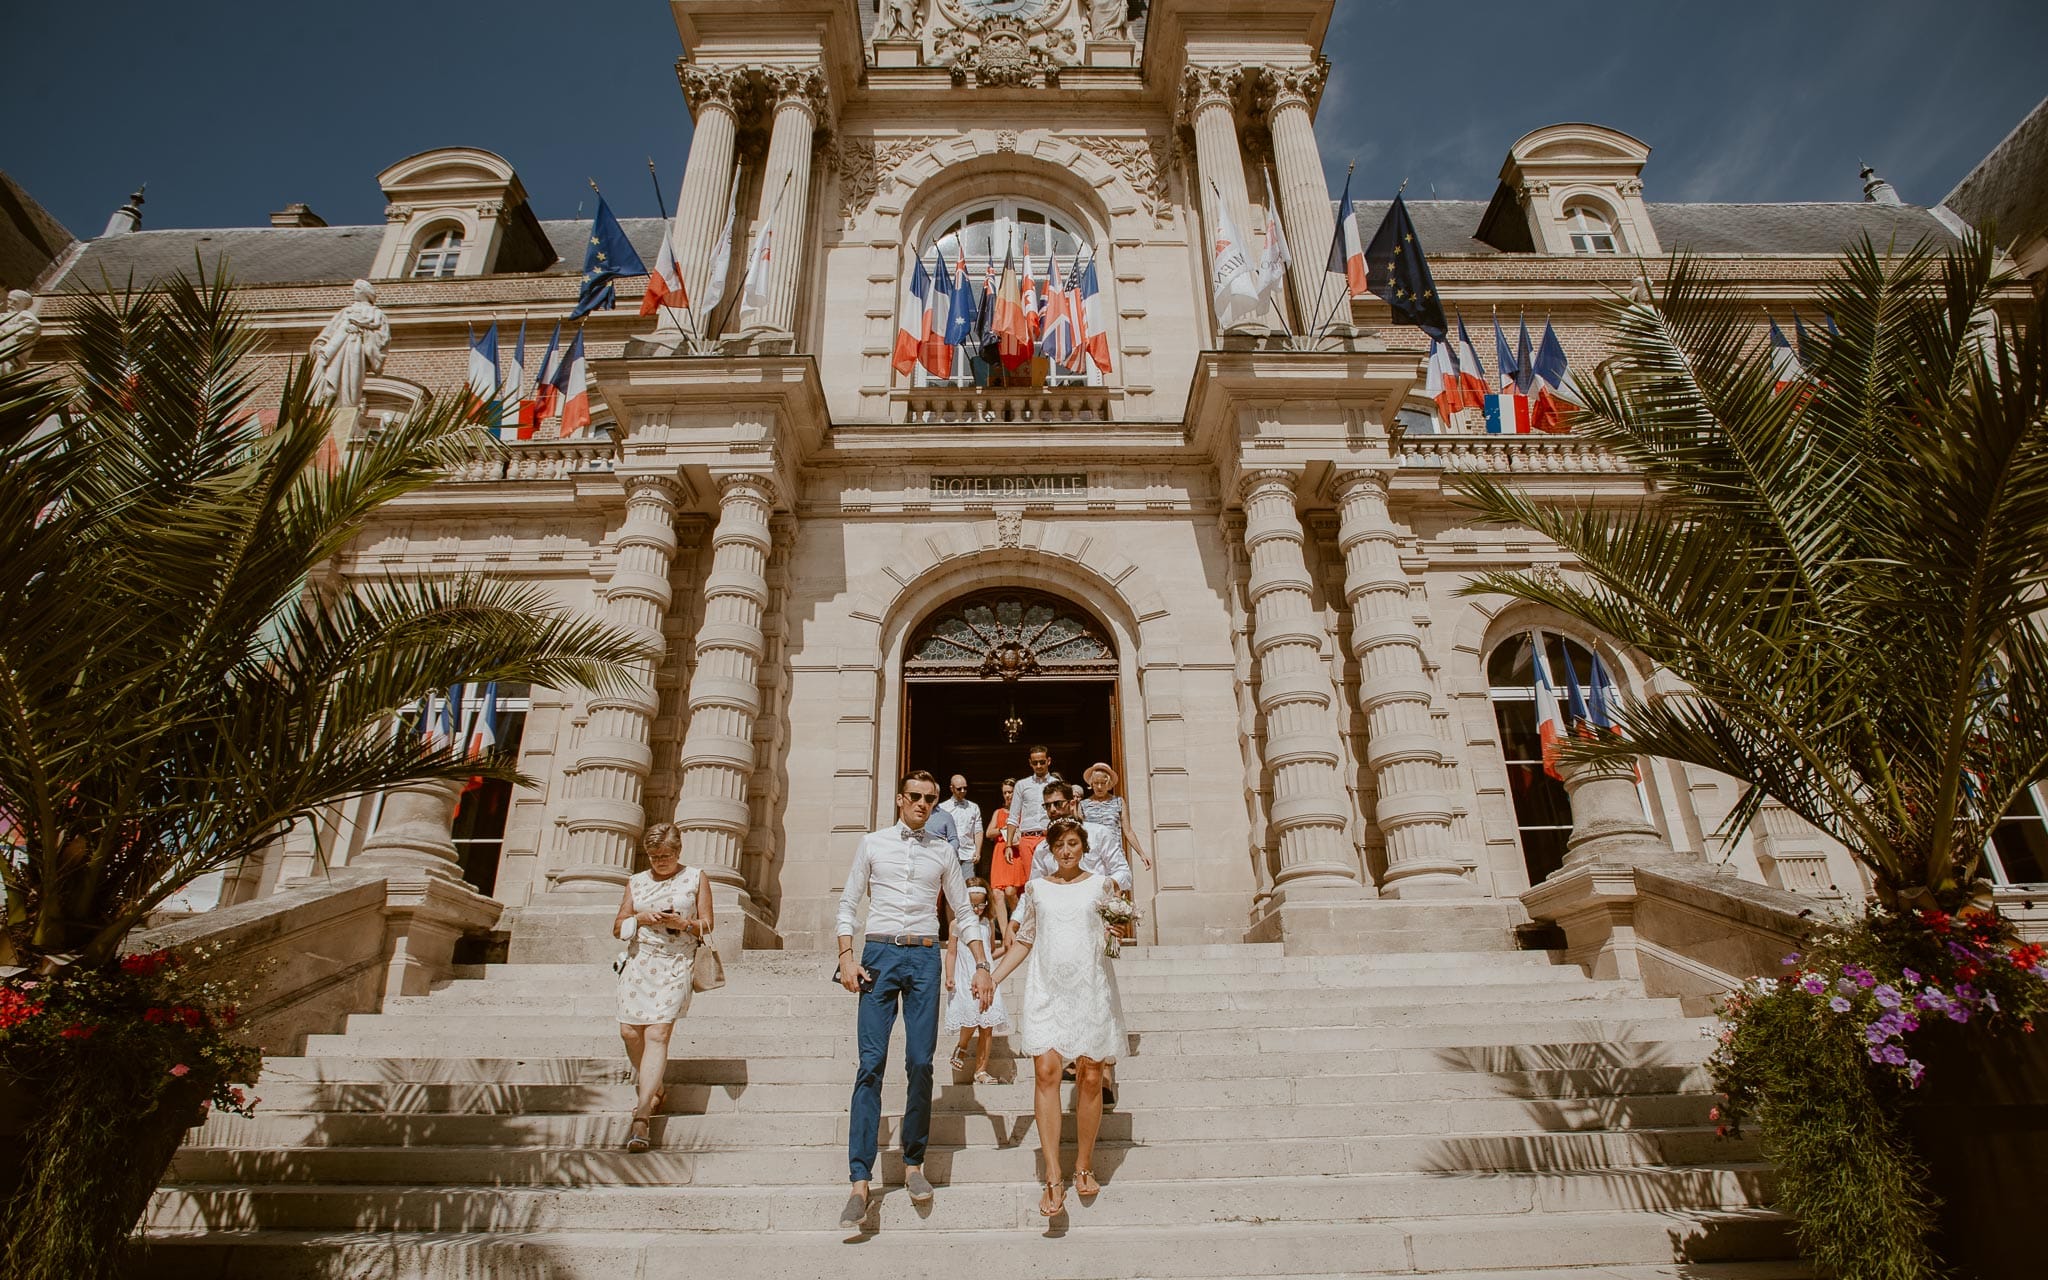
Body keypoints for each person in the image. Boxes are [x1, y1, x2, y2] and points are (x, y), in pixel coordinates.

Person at [835, 770, 995, 1232]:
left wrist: (982, 965)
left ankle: (912, 1164)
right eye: (916, 797)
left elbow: (963, 913)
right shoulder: (873, 844)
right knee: (871, 1063)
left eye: (930, 799)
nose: (923, 805)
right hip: (879, 954)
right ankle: (860, 1180)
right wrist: (846, 956)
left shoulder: (944, 850)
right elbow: (847, 903)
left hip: (924, 956)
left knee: (921, 1062)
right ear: (900, 799)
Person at [988, 817, 1129, 1218]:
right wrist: (994, 979)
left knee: (1088, 1076)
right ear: (1049, 850)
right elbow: (1026, 938)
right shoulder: (1036, 889)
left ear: (1083, 846)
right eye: (1059, 845)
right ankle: (1053, 1175)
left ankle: (1083, 1164)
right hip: (1047, 988)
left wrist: (1115, 932)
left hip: (1089, 987)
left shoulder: (1102, 885)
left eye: (1073, 844)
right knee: (1047, 1073)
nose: (1066, 851)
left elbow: (1112, 934)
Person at [611, 822, 713, 1155]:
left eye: (666, 856)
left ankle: (642, 1115)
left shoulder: (696, 878)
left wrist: (681, 923)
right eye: (654, 857)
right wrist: (641, 918)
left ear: (678, 851)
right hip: (639, 961)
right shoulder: (636, 881)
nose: (660, 862)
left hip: (675, 962)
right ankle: (655, 1087)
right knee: (629, 1032)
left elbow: (708, 925)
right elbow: (618, 926)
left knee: (657, 1034)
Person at [943, 878, 1010, 1084]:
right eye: (973, 905)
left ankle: (981, 1070)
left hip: (986, 978)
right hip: (965, 977)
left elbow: (989, 951)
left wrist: (1007, 950)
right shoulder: (957, 924)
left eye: (982, 904)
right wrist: (949, 976)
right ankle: (962, 1045)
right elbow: (952, 952)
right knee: (971, 1017)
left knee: (987, 1025)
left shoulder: (987, 923)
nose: (978, 909)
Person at [1002, 746, 1056, 903]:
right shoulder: (1021, 785)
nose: (1039, 766)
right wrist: (1008, 845)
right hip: (1027, 838)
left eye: (1042, 762)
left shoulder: (1056, 783)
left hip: (1048, 837)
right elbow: (1013, 817)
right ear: (1030, 763)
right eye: (1035, 763)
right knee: (1031, 882)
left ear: (1048, 761)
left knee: (1051, 878)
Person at [1081, 762, 1153, 874]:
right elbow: (1079, 832)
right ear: (1091, 783)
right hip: (1092, 857)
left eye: (1103, 783)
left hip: (1114, 853)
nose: (1099, 787)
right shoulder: (1083, 805)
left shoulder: (1118, 802)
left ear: (1108, 783)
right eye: (1096, 783)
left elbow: (1128, 831)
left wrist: (1142, 854)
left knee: (1117, 888)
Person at [987, 777, 1022, 945]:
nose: (1008, 795)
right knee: (997, 894)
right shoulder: (998, 812)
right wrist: (1003, 831)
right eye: (1005, 793)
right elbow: (989, 833)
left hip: (1016, 854)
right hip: (1000, 854)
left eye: (1011, 792)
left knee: (1011, 892)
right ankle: (1004, 935)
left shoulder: (1023, 811)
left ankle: (1016, 928)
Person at [937, 774, 983, 879]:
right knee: (949, 887)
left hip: (968, 853)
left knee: (969, 886)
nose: (963, 791)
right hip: (949, 854)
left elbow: (978, 831)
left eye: (965, 788)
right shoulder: (942, 807)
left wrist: (978, 851)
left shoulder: (973, 807)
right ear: (951, 788)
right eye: (959, 789)